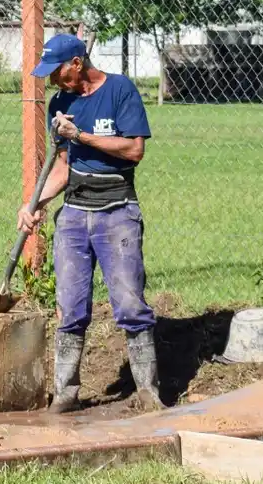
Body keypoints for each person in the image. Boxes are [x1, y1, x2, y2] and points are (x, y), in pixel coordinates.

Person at [18, 33, 160, 413]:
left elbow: (134, 150)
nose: (53, 80)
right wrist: (34, 204)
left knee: (130, 303)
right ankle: (66, 394)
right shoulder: (60, 104)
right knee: (70, 306)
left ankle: (148, 393)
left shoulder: (120, 91)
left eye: (57, 72)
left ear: (77, 64)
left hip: (117, 210)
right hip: (75, 214)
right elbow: (63, 167)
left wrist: (80, 135)